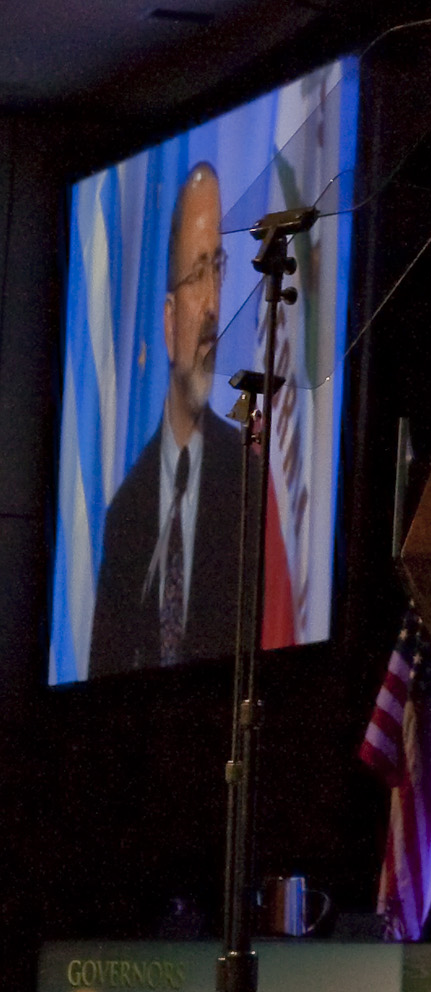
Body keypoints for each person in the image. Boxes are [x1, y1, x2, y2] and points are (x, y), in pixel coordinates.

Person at [88, 162, 248, 677]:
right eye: (198, 275)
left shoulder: (250, 483)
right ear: (168, 318)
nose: (213, 307)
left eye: (219, 270)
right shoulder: (124, 516)